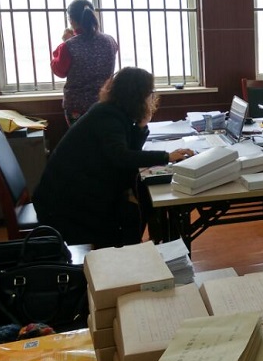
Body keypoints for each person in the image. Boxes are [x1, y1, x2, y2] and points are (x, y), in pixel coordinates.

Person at [33, 67, 194, 249]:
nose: (152, 97)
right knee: (132, 212)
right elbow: (122, 157)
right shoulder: (108, 117)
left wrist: (141, 126)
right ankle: (129, 254)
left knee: (137, 205)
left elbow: (127, 151)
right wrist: (166, 156)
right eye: (150, 93)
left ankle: (142, 251)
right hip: (65, 203)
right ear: (137, 96)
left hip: (77, 192)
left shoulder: (112, 112)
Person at [51, 0, 119, 125]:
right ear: (93, 16)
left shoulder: (69, 46)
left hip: (77, 107)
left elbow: (59, 71)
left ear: (71, 20)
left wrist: (66, 42)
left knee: (80, 137)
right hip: (105, 102)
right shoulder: (110, 40)